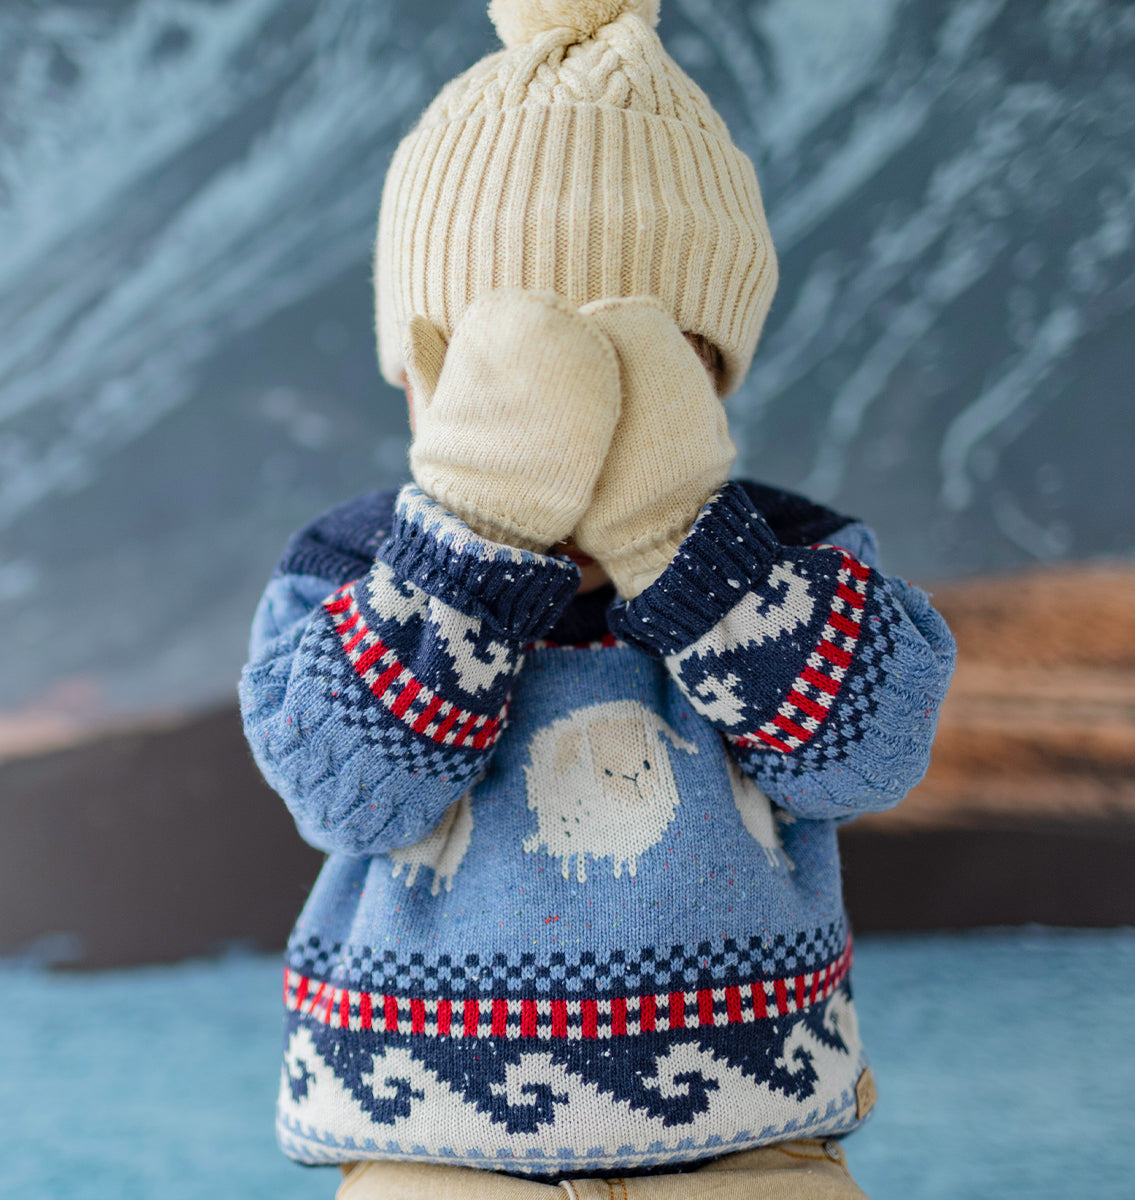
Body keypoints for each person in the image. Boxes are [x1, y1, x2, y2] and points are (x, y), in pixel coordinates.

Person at [239, 2, 957, 1196]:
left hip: (752, 1139)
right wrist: (476, 530)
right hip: (430, 1144)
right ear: (419, 373)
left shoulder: (787, 557)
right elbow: (345, 794)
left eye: (634, 371)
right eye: (499, 369)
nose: (570, 422)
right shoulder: (358, 566)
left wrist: (680, 537)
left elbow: (863, 758)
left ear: (710, 380)